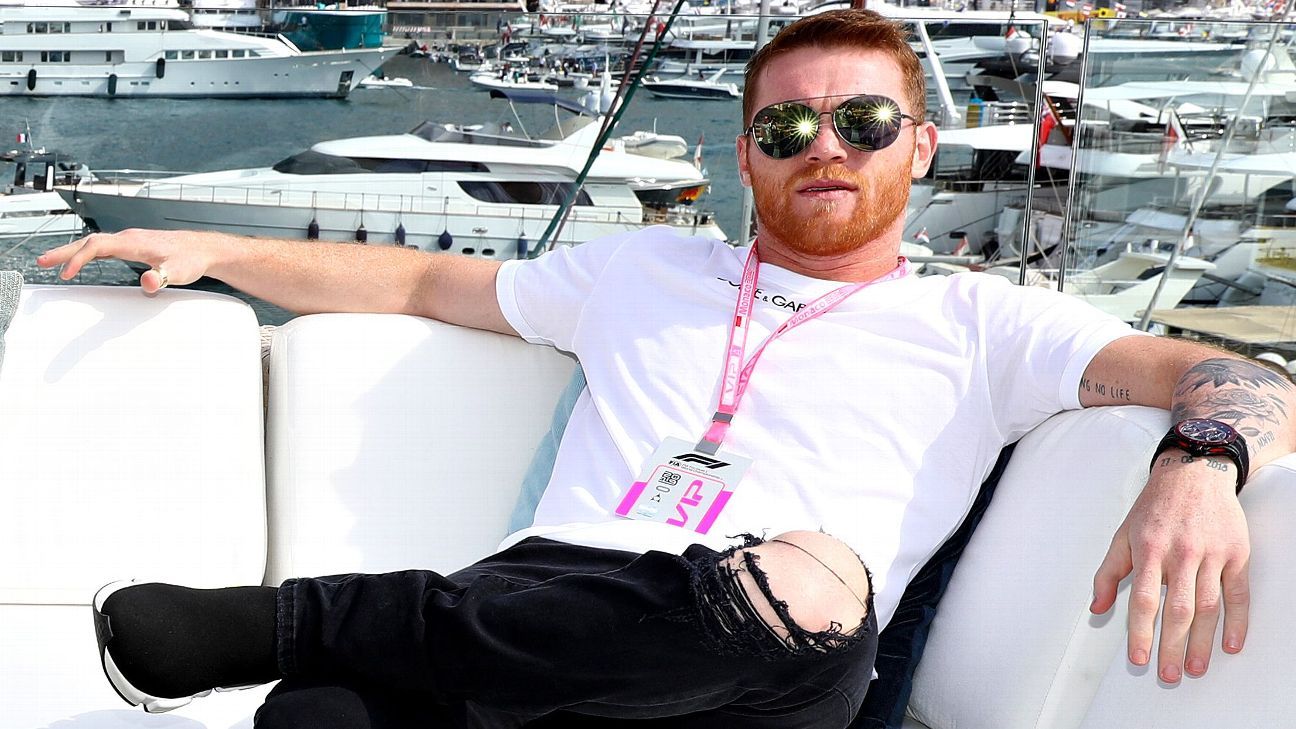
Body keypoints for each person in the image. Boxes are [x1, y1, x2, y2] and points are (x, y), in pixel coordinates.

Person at [39, 10, 1294, 729]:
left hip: (762, 662)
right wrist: (218, 250)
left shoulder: (986, 322)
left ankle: (286, 622)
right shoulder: (641, 268)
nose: (823, 148)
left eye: (861, 123)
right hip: (542, 599)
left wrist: (1198, 463)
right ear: (745, 156)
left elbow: (1227, 372)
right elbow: (420, 284)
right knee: (312, 719)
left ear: (918, 147)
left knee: (811, 579)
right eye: (784, 126)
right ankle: (326, 652)